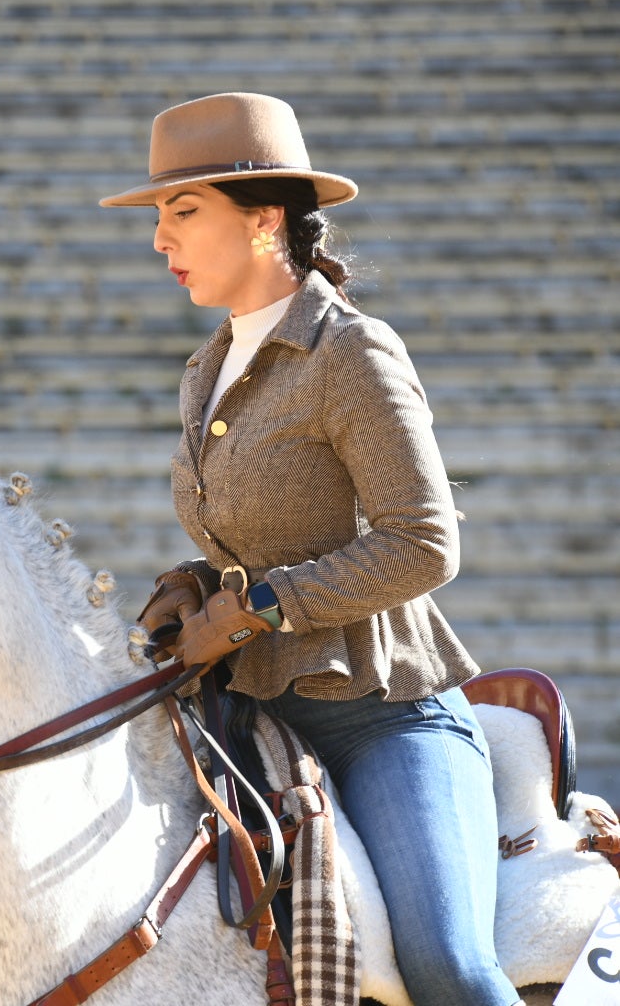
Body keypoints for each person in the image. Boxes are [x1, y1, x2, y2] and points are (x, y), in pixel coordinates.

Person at [102, 93, 522, 1006]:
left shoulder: (353, 353)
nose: (159, 240)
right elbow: (271, 534)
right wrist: (197, 585)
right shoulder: (206, 366)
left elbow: (424, 544)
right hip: (242, 712)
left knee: (446, 964)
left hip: (385, 715)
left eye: (183, 213)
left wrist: (253, 609)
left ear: (263, 222)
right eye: (160, 217)